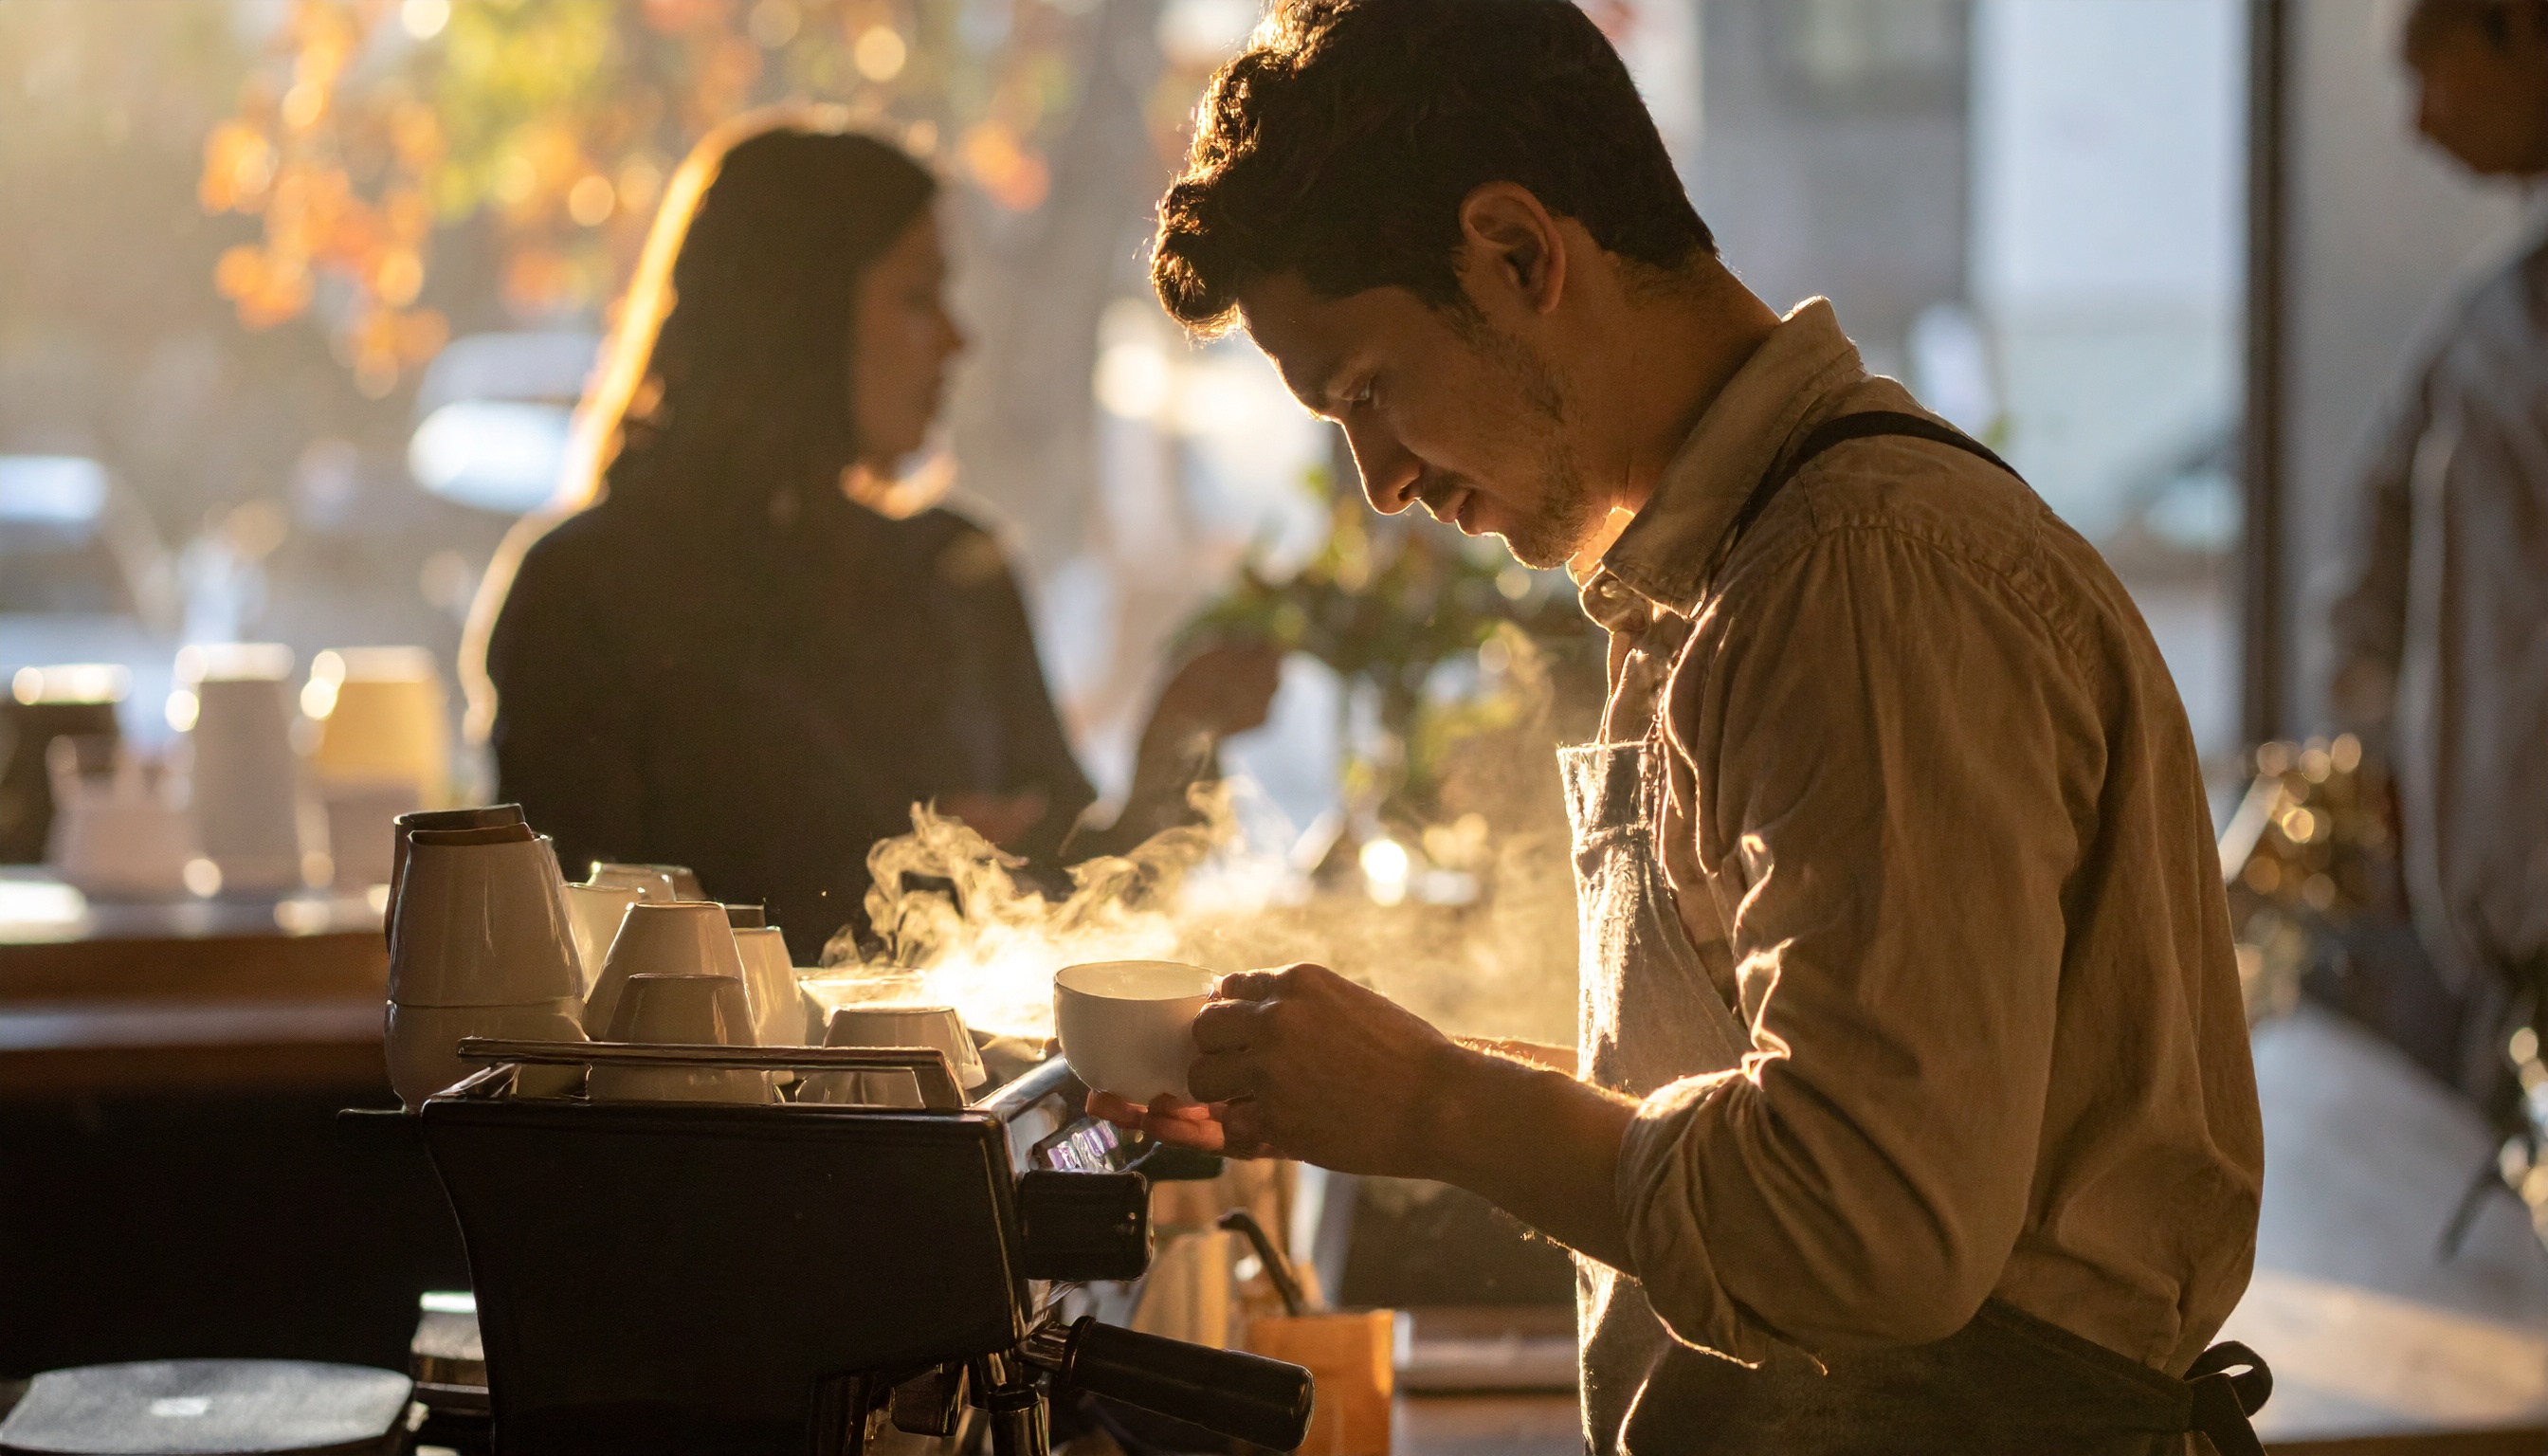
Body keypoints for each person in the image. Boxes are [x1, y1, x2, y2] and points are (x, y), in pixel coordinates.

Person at [1090, 4, 2267, 1451]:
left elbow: (1865, 1225)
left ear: (1516, 253)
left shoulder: (1857, 576)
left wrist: (1438, 1109)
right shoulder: (1732, 576)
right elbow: (1761, 1101)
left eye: (1369, 390)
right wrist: (1373, 1085)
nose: (1379, 480)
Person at [472, 118, 1276, 962]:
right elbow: (561, 947)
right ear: (795, 312)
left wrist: (1179, 743)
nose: (959, 339)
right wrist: (902, 869)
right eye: (918, 297)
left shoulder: (959, 571)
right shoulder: (588, 593)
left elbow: (1083, 908)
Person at [2327, 0, 2548, 1085]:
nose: (2418, 122)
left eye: (2432, 71)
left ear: (2519, 27)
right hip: (2510, 965)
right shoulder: (2493, 321)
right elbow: (2369, 563)